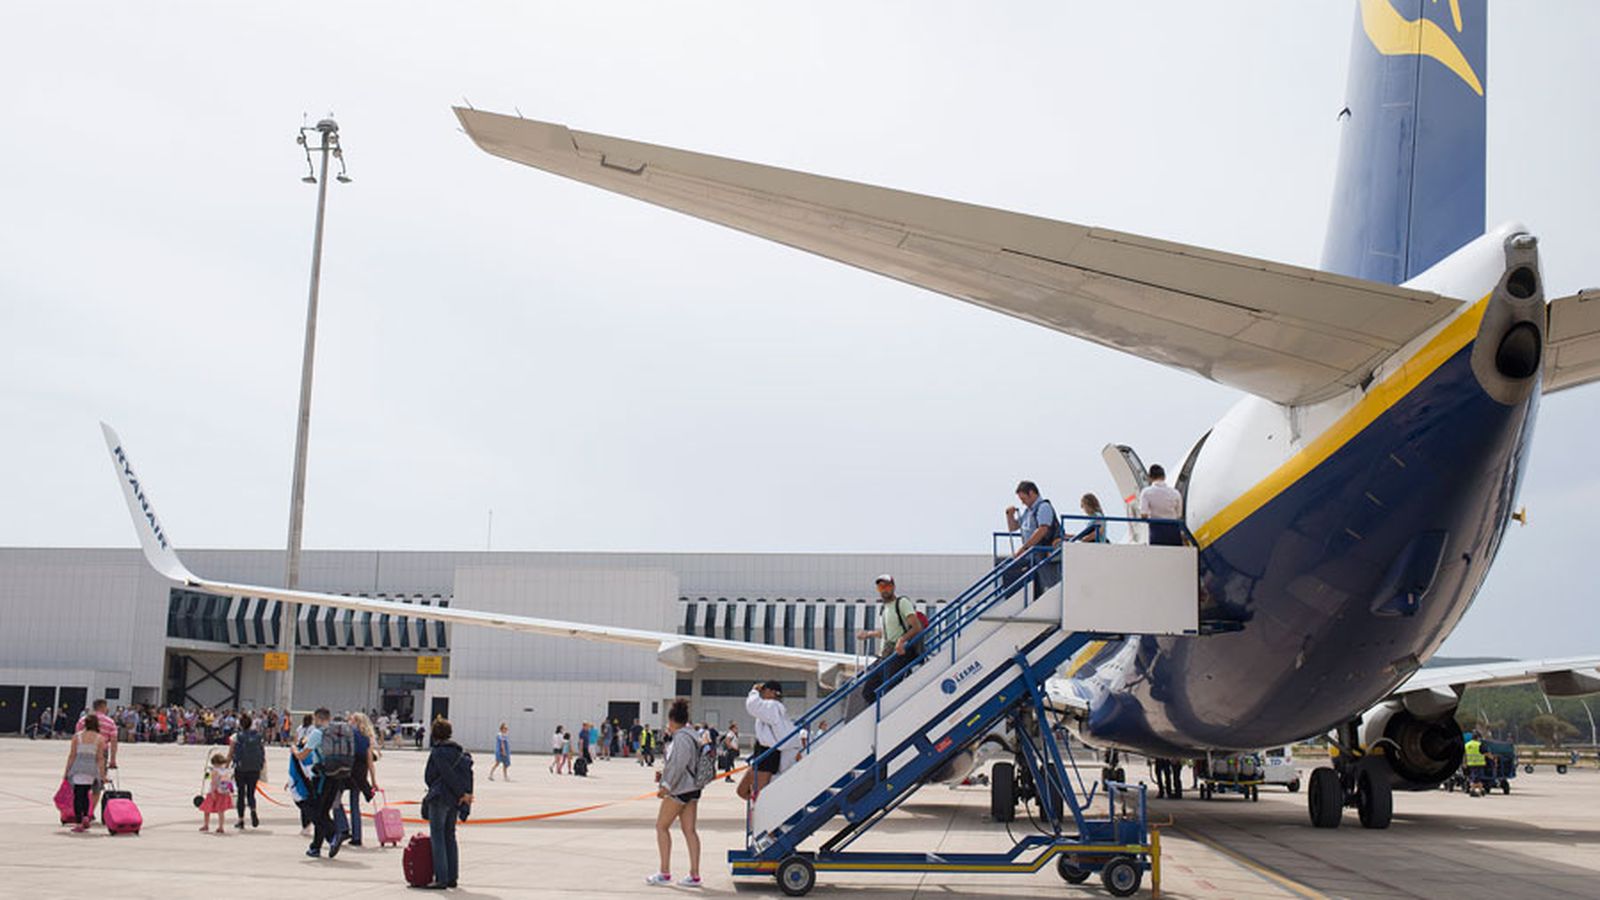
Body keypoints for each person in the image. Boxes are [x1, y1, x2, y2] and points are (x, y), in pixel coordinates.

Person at [646, 698, 704, 887]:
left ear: (672, 721)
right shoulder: (693, 735)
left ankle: (664, 872)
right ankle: (694, 875)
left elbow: (677, 765)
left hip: (679, 789)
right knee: (690, 831)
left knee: (661, 827)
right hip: (693, 788)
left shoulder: (680, 738)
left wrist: (665, 786)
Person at [854, 575, 926, 704]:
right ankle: (879, 715)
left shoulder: (902, 602)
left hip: (898, 654)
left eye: (887, 586)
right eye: (880, 587)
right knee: (868, 692)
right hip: (885, 655)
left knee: (890, 693)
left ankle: (888, 715)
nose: (884, 590)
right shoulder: (884, 608)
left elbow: (917, 627)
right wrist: (869, 634)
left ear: (893, 587)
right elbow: (887, 633)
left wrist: (901, 640)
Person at [422, 718, 474, 890]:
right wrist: (463, 795)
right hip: (455, 800)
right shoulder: (460, 752)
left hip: (440, 798)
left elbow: (436, 775)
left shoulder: (438, 752)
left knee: (437, 837)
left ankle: (441, 878)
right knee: (450, 836)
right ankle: (452, 876)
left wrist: (459, 792)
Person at [739, 681, 797, 801]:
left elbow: (752, 705)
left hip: (768, 752)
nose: (761, 694)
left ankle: (759, 809)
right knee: (742, 791)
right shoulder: (773, 707)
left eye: (764, 691)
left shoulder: (772, 706)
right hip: (763, 750)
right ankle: (757, 807)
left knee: (759, 794)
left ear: (772, 692)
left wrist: (754, 691)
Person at [1005, 480, 1062, 594]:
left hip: (1043, 554)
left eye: (1023, 499)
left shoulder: (1043, 507)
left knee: (1048, 586)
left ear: (1031, 493)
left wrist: (1025, 548)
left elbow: (1042, 530)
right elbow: (1013, 527)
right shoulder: (1028, 511)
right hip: (1032, 555)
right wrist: (1009, 516)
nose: (1022, 503)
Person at [61, 712, 107, 832]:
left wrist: (66, 771)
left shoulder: (77, 737)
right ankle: (86, 815)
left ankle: (79, 822)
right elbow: (100, 758)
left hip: (78, 768)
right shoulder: (100, 738)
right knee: (86, 794)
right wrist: (102, 775)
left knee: (78, 796)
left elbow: (72, 755)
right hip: (91, 769)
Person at [345, 711, 380, 846]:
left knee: (337, 802)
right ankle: (357, 836)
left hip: (348, 772)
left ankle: (343, 828)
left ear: (356, 722)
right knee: (355, 805)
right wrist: (373, 781)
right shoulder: (367, 738)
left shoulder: (350, 735)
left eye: (351, 720)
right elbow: (370, 762)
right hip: (361, 775)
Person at [227, 712, 266, 829]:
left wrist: (225, 766)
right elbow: (263, 752)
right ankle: (253, 810)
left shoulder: (236, 736)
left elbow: (230, 753)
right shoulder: (258, 736)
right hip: (254, 768)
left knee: (241, 794)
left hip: (241, 768)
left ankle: (241, 820)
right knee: (251, 793)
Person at [1138, 465, 1184, 546]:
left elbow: (1143, 515)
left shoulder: (1146, 493)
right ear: (1164, 477)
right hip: (1173, 530)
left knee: (1159, 552)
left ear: (1150, 478)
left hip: (1157, 531)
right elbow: (1179, 515)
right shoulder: (1175, 493)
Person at [198, 751, 234, 834]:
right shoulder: (225, 771)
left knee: (206, 809)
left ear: (214, 763)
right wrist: (230, 790)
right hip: (224, 792)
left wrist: (212, 792)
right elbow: (229, 783)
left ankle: (206, 825)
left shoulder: (214, 771)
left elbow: (213, 782)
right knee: (221, 811)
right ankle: (221, 827)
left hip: (215, 792)